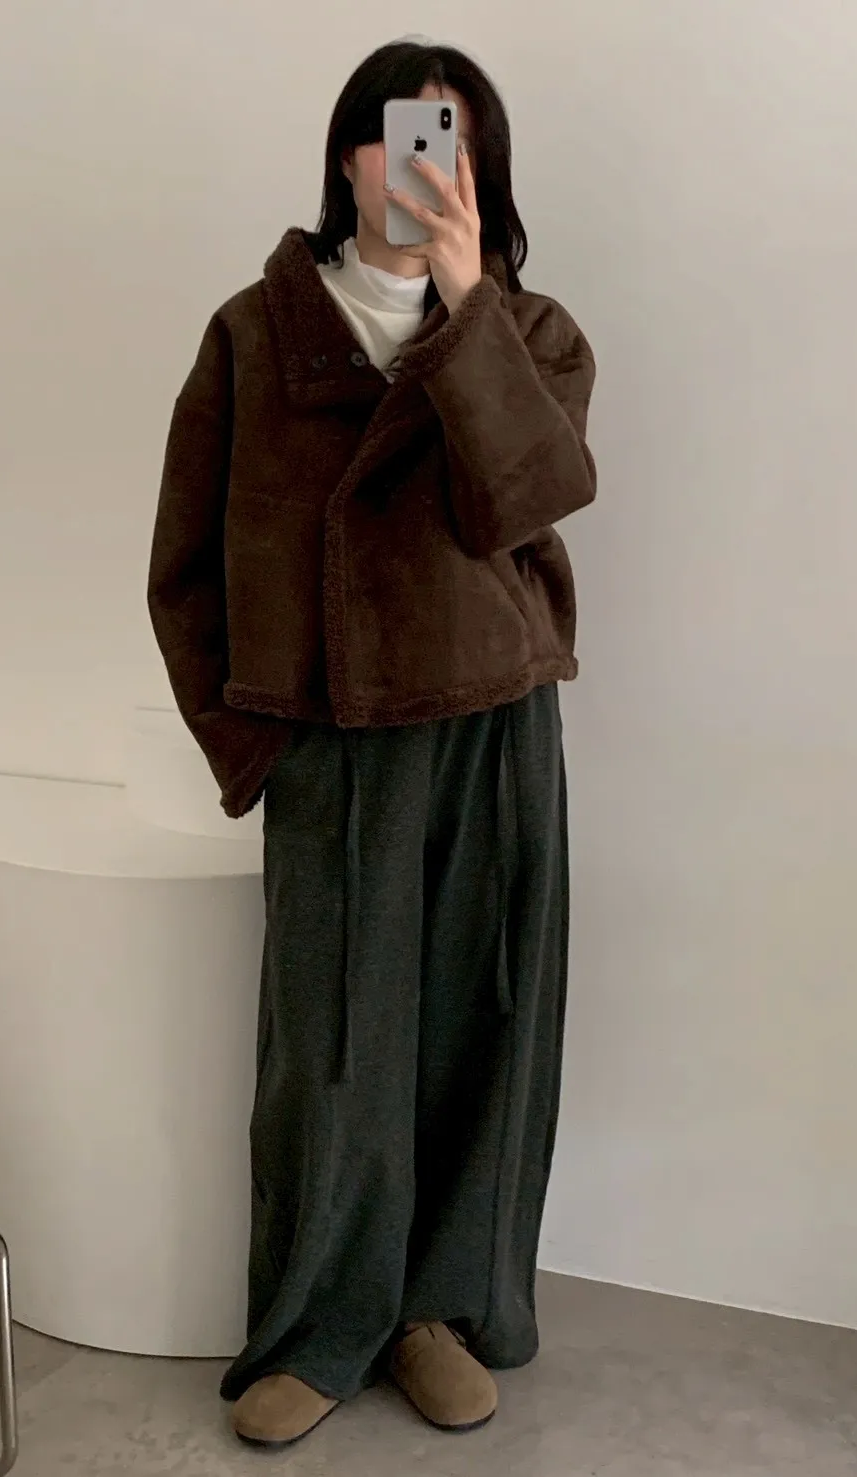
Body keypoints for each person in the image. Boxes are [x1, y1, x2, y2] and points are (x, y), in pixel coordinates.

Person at [148, 38, 596, 1450]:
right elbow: (184, 567)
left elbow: (531, 497)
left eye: (454, 144)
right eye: (402, 136)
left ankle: (437, 1315)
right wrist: (251, 741)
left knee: (483, 1031)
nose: (423, 168)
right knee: (333, 1053)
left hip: (494, 727)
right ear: (349, 156)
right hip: (334, 739)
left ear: (484, 172)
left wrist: (464, 307)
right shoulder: (255, 333)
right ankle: (321, 1325)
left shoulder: (533, 334)